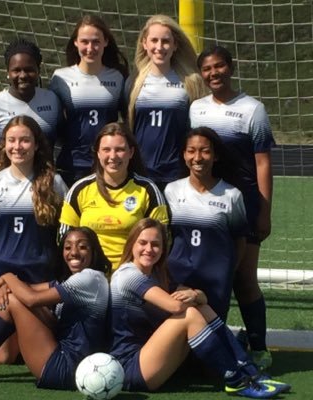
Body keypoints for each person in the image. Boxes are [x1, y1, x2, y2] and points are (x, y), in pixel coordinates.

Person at [109, 218, 290, 398]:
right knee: (189, 314)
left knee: (199, 309)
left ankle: (249, 371)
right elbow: (175, 305)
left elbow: (201, 298)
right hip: (130, 367)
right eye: (142, 243)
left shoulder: (157, 275)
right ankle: (236, 381)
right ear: (131, 244)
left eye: (155, 244)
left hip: (150, 360)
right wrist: (195, 297)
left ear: (163, 249)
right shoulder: (128, 275)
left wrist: (196, 296)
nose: (149, 249)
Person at [0, 37, 62, 358]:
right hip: (1, 195)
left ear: (38, 71)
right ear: (8, 72)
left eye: (29, 70)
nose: (23, 75)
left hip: (40, 190)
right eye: (17, 70)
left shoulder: (52, 101)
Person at [0, 226, 111, 388]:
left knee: (12, 301)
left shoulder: (89, 278)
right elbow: (31, 288)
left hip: (66, 368)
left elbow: (32, 299)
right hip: (73, 363)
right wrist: (8, 285)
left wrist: (8, 277)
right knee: (14, 297)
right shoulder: (80, 280)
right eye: (68, 247)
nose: (74, 252)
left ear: (94, 251)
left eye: (82, 247)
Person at [189, 45, 275, 369]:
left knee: (244, 278)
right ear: (202, 74)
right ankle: (212, 341)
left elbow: (263, 163)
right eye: (208, 69)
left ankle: (259, 347)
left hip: (246, 204)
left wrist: (264, 211)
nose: (214, 73)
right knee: (214, 276)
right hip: (209, 206)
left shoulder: (252, 109)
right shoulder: (196, 109)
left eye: (219, 66)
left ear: (231, 68)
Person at [164, 127, 248, 322]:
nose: (197, 157)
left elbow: (240, 240)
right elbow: (165, 236)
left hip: (215, 280)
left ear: (216, 156)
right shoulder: (172, 190)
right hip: (179, 277)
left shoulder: (231, 195)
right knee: (178, 335)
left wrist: (227, 273)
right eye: (191, 150)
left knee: (211, 340)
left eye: (205, 150)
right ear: (184, 154)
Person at [59, 122, 168, 271]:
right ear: (98, 153)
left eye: (120, 150)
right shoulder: (80, 189)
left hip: (132, 274)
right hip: (88, 273)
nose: (112, 156)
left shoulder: (147, 190)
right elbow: (63, 237)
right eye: (106, 150)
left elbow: (162, 239)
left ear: (131, 152)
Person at [126, 14, 207, 191]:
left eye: (165, 41)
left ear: (175, 45)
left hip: (176, 173)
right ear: (144, 43)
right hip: (139, 172)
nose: (159, 47)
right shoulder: (133, 83)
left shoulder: (191, 82)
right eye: (154, 40)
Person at [49, 15, 129, 187]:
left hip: (108, 163)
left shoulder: (117, 77)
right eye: (84, 41)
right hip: (73, 163)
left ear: (105, 42)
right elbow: (54, 122)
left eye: (96, 41)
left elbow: (128, 119)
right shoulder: (60, 78)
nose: (90, 48)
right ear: (76, 43)